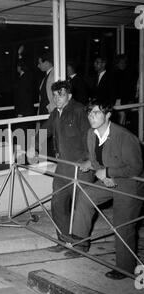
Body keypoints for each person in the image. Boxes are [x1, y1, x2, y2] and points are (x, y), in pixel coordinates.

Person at [67, 101, 144, 280]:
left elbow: (136, 168)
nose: (91, 117)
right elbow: (97, 160)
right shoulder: (91, 133)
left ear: (108, 115)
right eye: (89, 113)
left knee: (122, 225)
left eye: (96, 113)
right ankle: (80, 242)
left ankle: (124, 268)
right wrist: (92, 165)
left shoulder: (124, 136)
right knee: (85, 195)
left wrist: (109, 173)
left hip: (130, 185)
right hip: (109, 180)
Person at [42, 80, 94, 253]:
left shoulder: (79, 110)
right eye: (54, 95)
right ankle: (64, 241)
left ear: (69, 96)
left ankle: (81, 245)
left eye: (61, 94)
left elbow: (91, 137)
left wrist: (90, 160)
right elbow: (44, 132)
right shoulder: (56, 113)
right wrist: (26, 146)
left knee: (81, 208)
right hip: (63, 166)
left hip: (81, 167)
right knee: (57, 203)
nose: (57, 98)